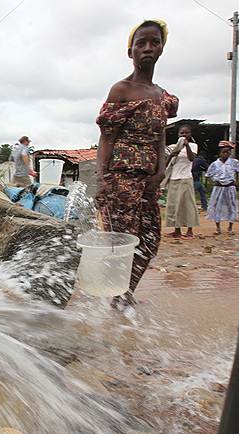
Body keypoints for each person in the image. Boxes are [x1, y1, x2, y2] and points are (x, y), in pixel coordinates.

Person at [96, 19, 178, 301]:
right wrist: (102, 179)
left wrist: (160, 170)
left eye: (154, 42)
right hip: (121, 177)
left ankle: (125, 291)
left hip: (150, 180)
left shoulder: (163, 97)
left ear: (161, 49)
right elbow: (107, 137)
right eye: (140, 43)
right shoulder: (121, 90)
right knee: (121, 242)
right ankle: (118, 295)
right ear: (130, 52)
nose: (147, 48)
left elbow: (161, 137)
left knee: (151, 240)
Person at [164, 124, 199, 238]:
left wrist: (186, 145)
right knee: (174, 205)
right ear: (178, 135)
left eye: (186, 133)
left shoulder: (193, 146)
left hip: (185, 178)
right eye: (181, 133)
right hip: (174, 178)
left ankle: (190, 230)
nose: (184, 135)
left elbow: (192, 158)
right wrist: (172, 154)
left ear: (190, 134)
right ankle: (177, 230)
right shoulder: (172, 147)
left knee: (187, 204)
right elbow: (166, 163)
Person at [206, 141, 239, 235]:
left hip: (230, 187)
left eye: (228, 152)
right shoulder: (215, 164)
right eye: (224, 152)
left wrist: (237, 182)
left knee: (231, 206)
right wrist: (213, 183)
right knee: (216, 206)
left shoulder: (234, 162)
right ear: (220, 152)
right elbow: (208, 175)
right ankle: (218, 228)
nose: (226, 154)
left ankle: (230, 227)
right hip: (218, 188)